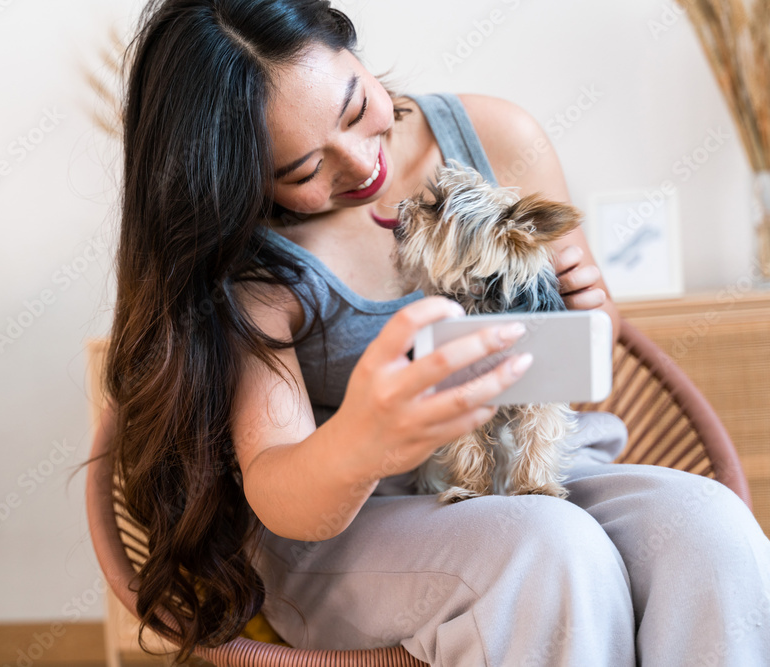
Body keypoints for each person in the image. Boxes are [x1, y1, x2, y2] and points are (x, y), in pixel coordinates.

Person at [94, 0, 770, 665]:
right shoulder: (256, 263)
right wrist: (365, 440)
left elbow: (577, 367)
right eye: (303, 171)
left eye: (358, 109)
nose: (361, 166)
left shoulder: (498, 137)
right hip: (357, 525)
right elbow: (279, 490)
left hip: (531, 473)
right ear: (242, 181)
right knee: (551, 551)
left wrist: (594, 313)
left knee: (711, 530)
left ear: (350, 47)